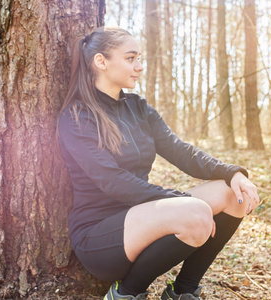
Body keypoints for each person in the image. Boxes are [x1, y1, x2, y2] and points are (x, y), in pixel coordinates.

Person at [57, 27, 260, 300]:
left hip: (144, 214)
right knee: (196, 215)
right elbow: (111, 181)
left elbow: (180, 151)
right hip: (100, 235)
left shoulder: (138, 108)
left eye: (138, 58)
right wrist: (180, 201)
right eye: (130, 58)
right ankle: (126, 293)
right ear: (101, 62)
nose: (139, 66)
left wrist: (233, 173)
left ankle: (183, 291)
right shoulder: (77, 116)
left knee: (232, 196)